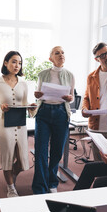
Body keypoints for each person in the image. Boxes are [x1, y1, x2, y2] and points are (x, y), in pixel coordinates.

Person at [0, 51, 36, 198]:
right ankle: (10, 187)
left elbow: (25, 103)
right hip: (4, 125)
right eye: (14, 62)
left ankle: (11, 175)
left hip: (20, 125)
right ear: (5, 63)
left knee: (21, 161)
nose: (17, 65)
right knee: (7, 157)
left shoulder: (23, 83)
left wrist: (31, 107)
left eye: (19, 63)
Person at [32, 46, 75, 194]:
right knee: (41, 151)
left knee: (57, 150)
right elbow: (39, 95)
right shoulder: (42, 74)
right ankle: (40, 187)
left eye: (63, 52)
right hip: (44, 112)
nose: (61, 55)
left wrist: (70, 98)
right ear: (50, 58)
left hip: (61, 113)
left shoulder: (70, 75)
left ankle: (52, 181)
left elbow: (72, 97)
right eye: (57, 53)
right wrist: (37, 95)